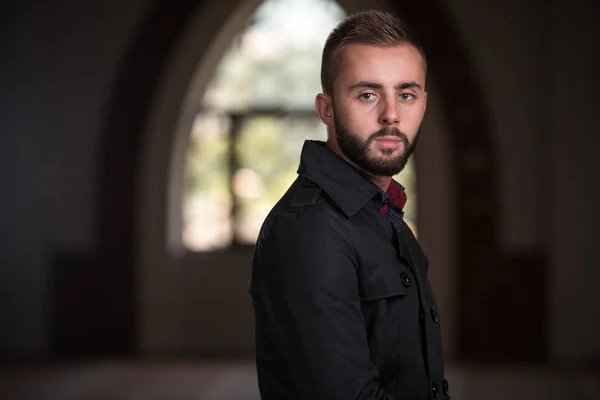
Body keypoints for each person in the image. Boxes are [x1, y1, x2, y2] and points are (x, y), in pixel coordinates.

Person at [249, 10, 450, 400]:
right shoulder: (310, 228)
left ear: (423, 104)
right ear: (326, 109)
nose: (391, 115)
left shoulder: (382, 212)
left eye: (406, 94)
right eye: (368, 94)